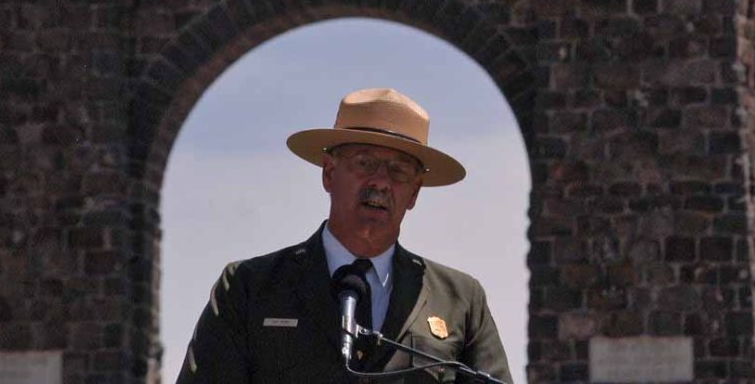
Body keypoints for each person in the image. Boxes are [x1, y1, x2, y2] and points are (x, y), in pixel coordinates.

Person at [175, 87, 513, 383]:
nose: (381, 182)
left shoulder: (459, 300)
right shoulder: (251, 287)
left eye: (398, 171)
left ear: (414, 193)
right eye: (365, 163)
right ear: (329, 173)